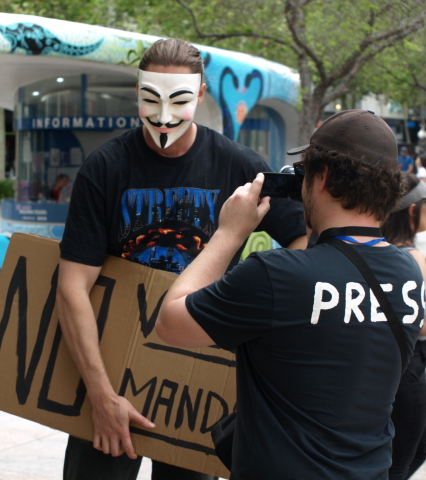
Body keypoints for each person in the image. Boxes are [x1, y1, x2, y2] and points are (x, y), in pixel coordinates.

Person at [56, 38, 307, 480]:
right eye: (151, 99)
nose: (164, 116)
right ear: (137, 92)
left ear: (202, 95)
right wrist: (100, 394)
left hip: (195, 383)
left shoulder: (236, 166)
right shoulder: (106, 168)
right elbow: (73, 286)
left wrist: (259, 305)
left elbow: (303, 240)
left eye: (180, 100)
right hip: (114, 376)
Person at [155, 109, 423, 477]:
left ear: (323, 177)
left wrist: (230, 233)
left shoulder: (276, 275)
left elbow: (170, 321)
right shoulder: (411, 274)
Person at [382, 173, 426, 480]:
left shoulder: (377, 252)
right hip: (413, 374)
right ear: (413, 210)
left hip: (382, 373)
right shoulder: (414, 260)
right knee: (402, 462)